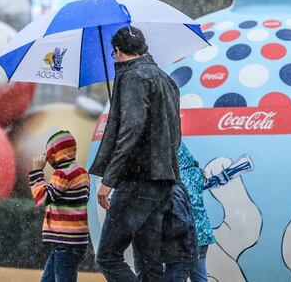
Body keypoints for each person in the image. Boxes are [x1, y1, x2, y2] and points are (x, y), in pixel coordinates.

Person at [90, 26, 182, 282]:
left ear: (117, 51)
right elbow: (174, 133)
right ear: (143, 48)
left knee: (107, 255)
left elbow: (131, 130)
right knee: (149, 262)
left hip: (137, 179)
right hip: (162, 179)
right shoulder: (165, 79)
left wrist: (109, 180)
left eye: (114, 54)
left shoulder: (133, 79)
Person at [29, 130, 90, 282]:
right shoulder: (82, 173)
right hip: (75, 241)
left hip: (65, 242)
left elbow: (42, 199)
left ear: (56, 155)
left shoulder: (62, 174)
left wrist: (37, 171)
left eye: (49, 155)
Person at [164, 142, 217, 281]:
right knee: (199, 277)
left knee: (175, 275)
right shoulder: (195, 172)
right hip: (202, 235)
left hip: (188, 239)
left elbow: (182, 213)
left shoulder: (181, 179)